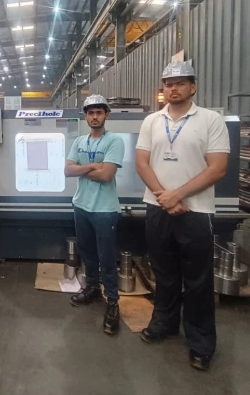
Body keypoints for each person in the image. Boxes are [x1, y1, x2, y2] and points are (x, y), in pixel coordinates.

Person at [135, 60, 230, 371]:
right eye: (168, 83)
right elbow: (142, 163)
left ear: (193, 87)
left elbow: (218, 168)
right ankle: (164, 323)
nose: (173, 88)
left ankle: (201, 342)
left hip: (196, 211)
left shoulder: (211, 120)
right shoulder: (152, 121)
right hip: (157, 207)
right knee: (163, 273)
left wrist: (178, 195)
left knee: (198, 279)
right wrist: (164, 197)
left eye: (180, 83)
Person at [65, 95, 125, 335]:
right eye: (90, 113)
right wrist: (92, 166)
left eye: (99, 112)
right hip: (81, 205)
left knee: (107, 257)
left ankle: (112, 301)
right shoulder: (79, 141)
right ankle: (92, 288)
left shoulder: (114, 141)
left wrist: (81, 169)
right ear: (85, 116)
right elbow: (67, 171)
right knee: (87, 252)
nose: (94, 117)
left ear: (106, 115)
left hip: (104, 209)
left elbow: (107, 175)